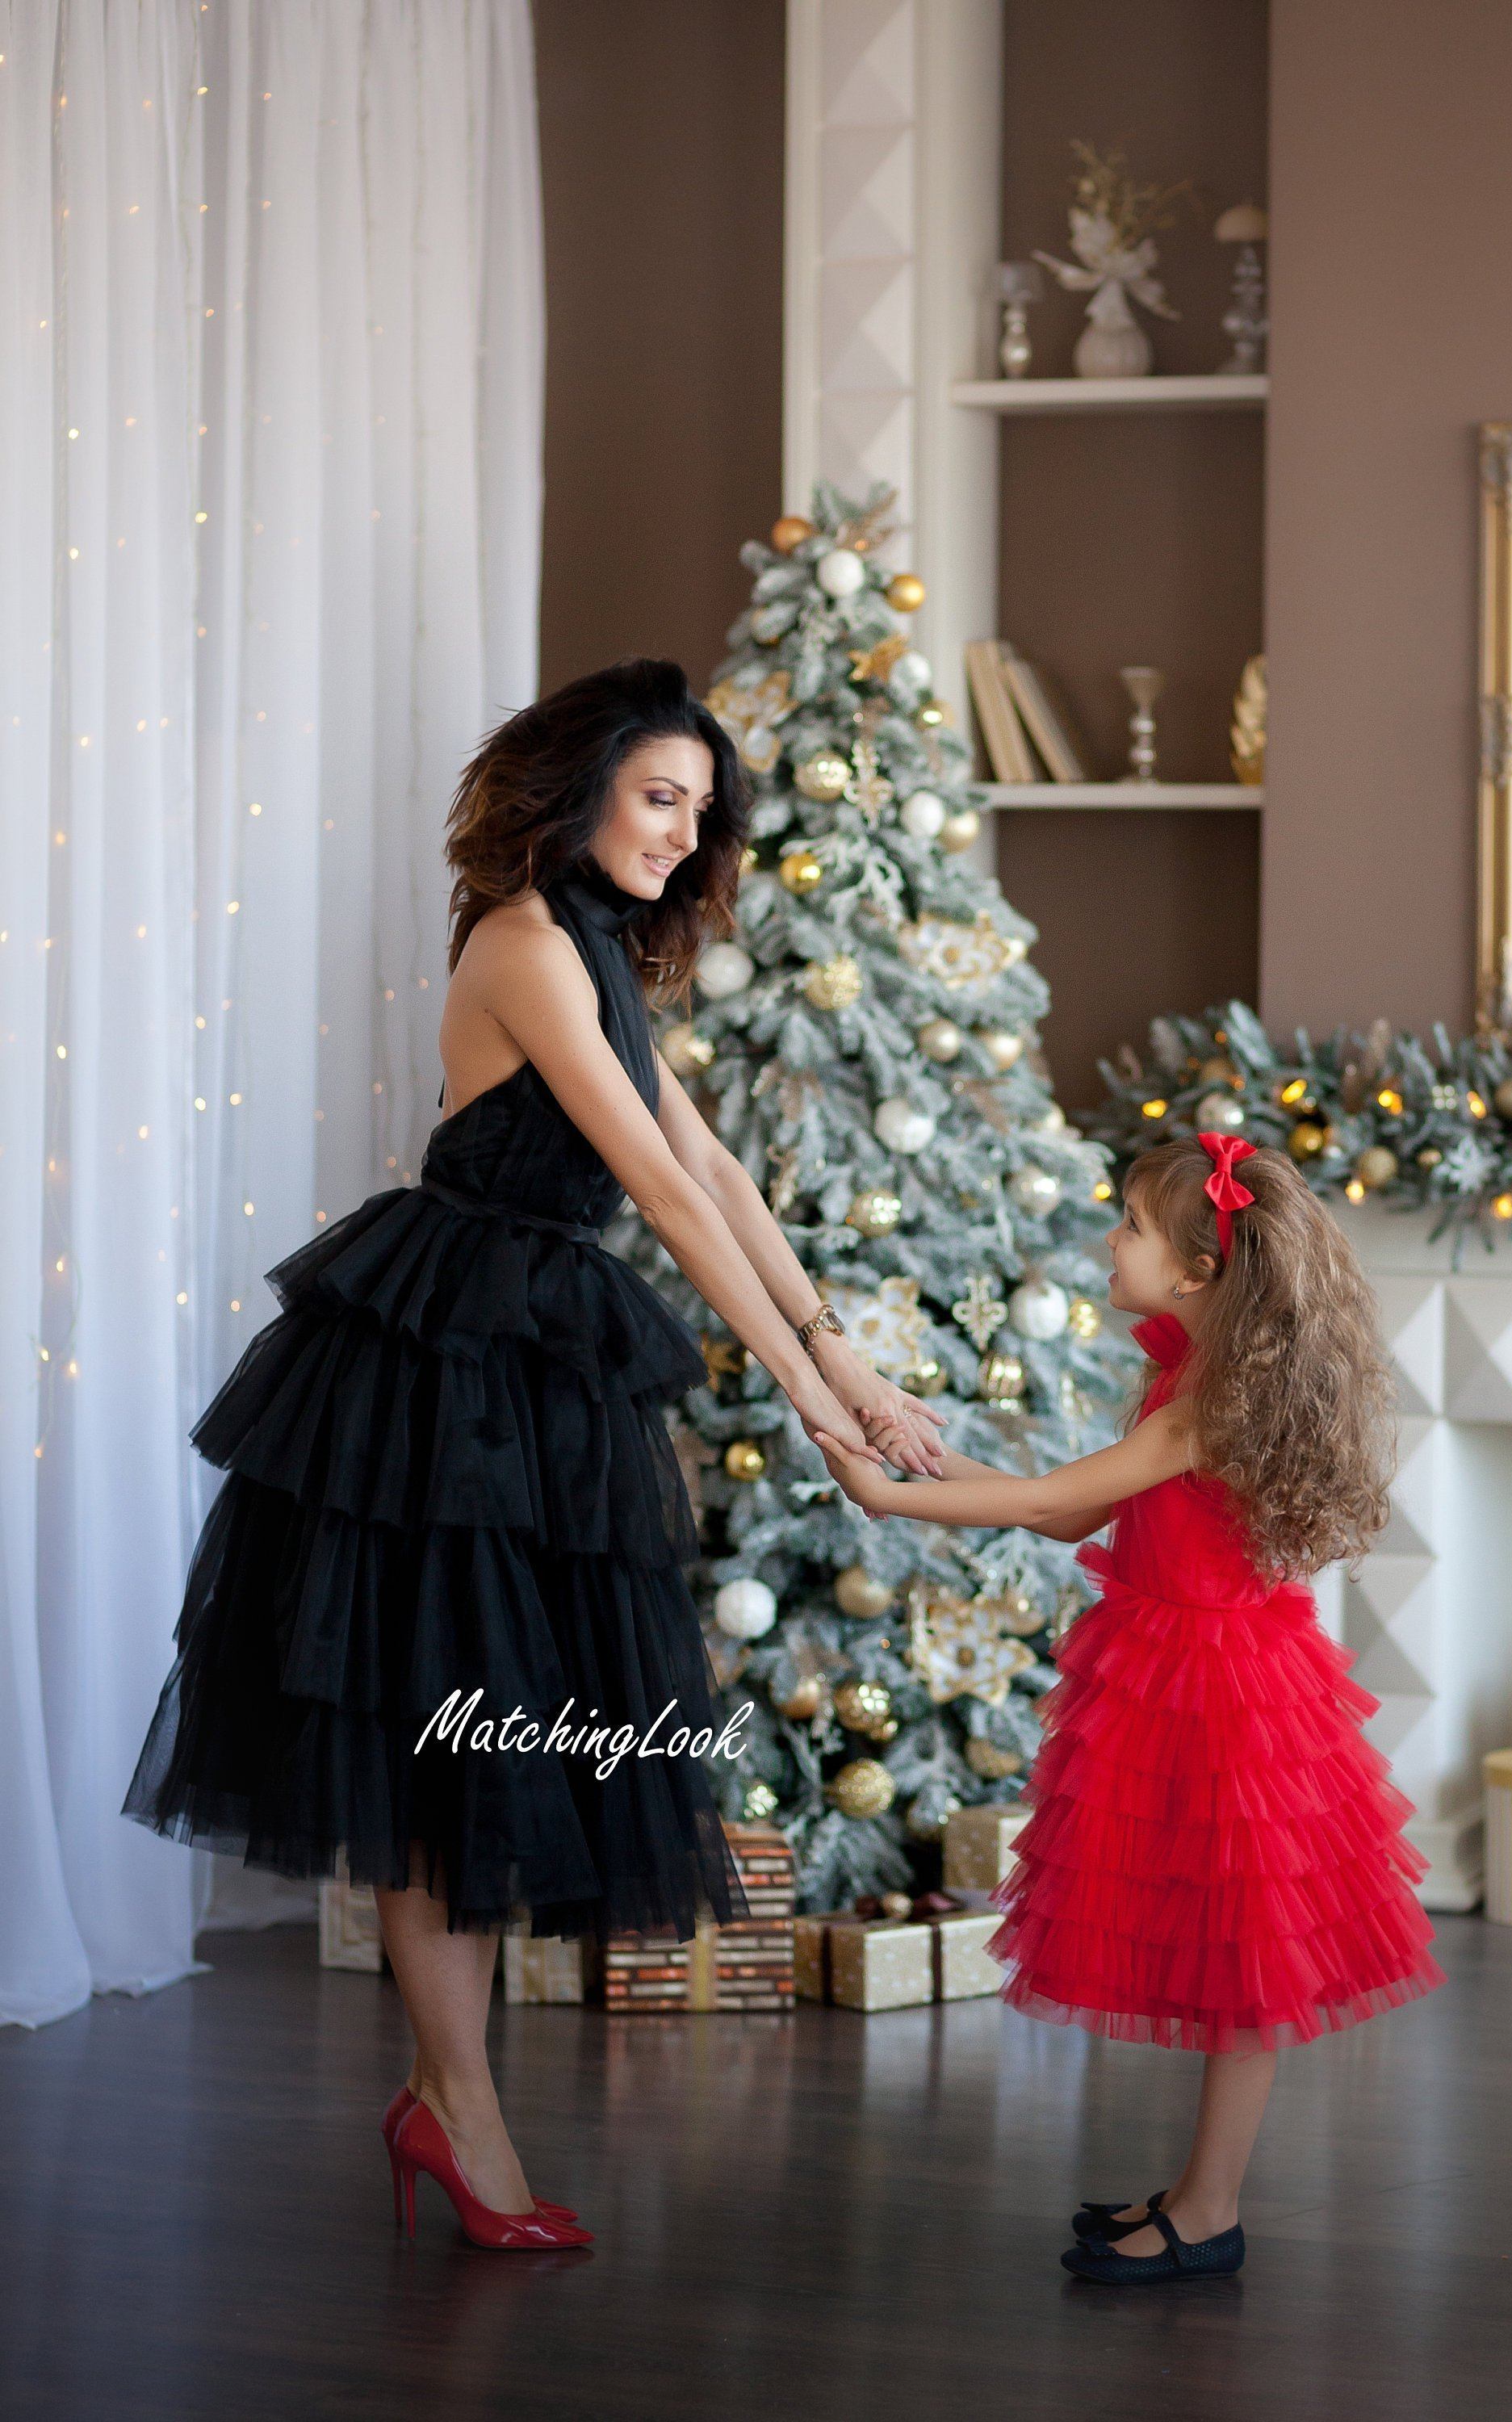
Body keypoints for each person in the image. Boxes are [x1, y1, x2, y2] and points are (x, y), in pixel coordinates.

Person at [123, 658, 944, 2252]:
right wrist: (811, 1403)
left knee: (493, 1745)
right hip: (438, 1369)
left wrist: (839, 1358)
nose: (679, 832)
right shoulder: (519, 941)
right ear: (572, 793)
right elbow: (659, 1187)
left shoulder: (598, 955)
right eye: (657, 797)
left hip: (535, 1364)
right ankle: (460, 2108)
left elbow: (715, 1166)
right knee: (449, 1742)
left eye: (698, 812)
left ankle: (451, 2097)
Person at [815, 1129, 1443, 2286]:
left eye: (1133, 1227)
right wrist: (921, 1450)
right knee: (1222, 1945)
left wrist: (883, 1495)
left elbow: (1056, 1497)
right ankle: (1199, 2191)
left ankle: (1210, 2210)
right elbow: (1064, 1518)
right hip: (1176, 1666)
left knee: (1246, 1951)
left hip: (1225, 1693)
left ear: (1198, 1271)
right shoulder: (1182, 1374)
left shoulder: (1206, 1406)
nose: (1110, 1239)